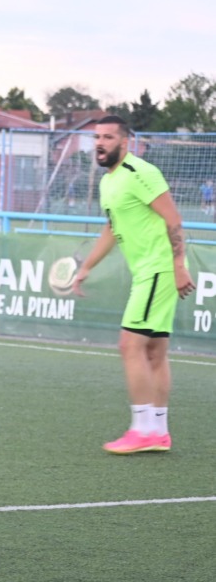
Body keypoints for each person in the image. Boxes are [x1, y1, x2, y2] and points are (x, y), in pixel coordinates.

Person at [72, 115, 195, 454]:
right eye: (97, 137)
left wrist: (178, 266)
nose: (100, 143)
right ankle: (159, 432)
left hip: (159, 270)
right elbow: (112, 228)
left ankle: (142, 430)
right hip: (149, 272)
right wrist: (87, 266)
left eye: (108, 137)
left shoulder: (140, 172)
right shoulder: (108, 182)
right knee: (154, 352)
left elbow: (173, 218)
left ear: (124, 143)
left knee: (129, 345)